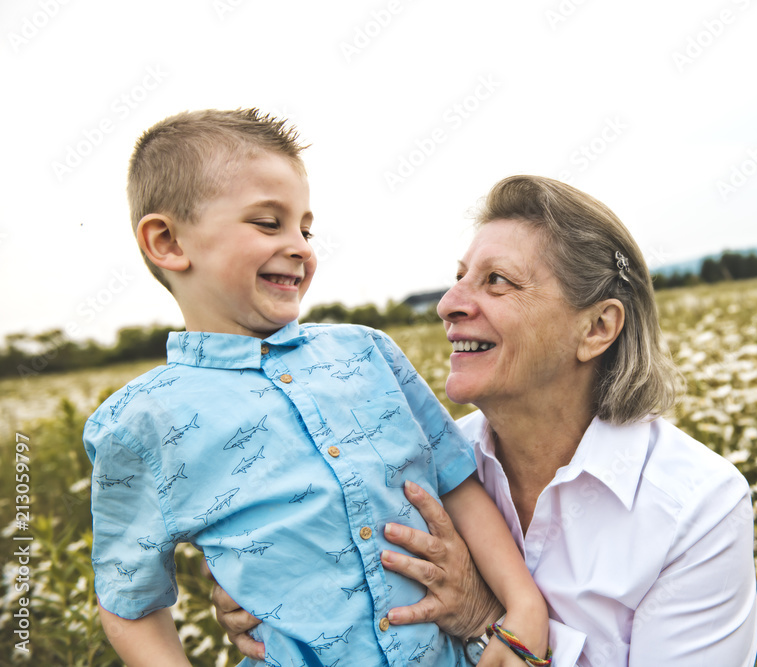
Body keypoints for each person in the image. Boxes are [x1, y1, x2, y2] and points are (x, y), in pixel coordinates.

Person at [217, 175, 757, 665]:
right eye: (459, 278)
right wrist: (260, 576)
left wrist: (483, 620)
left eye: (497, 281)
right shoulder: (413, 463)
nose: (449, 304)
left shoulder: (698, 508)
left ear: (597, 327)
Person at [83, 110, 551, 667]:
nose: (300, 246)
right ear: (167, 242)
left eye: (305, 228)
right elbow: (128, 599)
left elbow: (454, 483)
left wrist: (525, 608)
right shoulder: (143, 421)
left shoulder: (368, 353)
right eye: (266, 223)